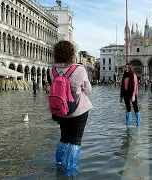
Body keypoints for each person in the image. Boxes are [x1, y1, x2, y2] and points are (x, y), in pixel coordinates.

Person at [49, 40, 92, 176]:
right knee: (76, 140)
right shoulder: (79, 69)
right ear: (71, 53)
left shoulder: (53, 70)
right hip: (78, 110)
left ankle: (59, 164)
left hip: (61, 110)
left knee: (64, 138)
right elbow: (88, 90)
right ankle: (70, 171)